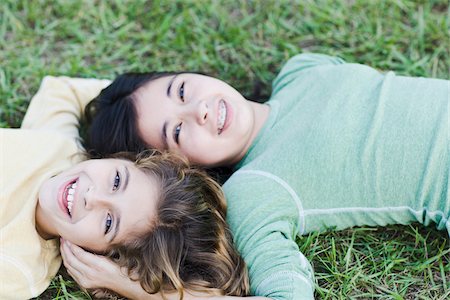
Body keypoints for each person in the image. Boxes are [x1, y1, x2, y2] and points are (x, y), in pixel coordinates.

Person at [79, 53, 448, 299]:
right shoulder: (255, 190)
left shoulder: (302, 69)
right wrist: (148, 292)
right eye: (176, 131)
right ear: (177, 169)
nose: (199, 111)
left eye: (181, 90)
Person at [0, 76, 253, 299]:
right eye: (116, 180)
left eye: (109, 222)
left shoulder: (20, 266)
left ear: (102, 254)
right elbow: (61, 90)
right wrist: (145, 99)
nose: (92, 197)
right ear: (121, 157)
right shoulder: (63, 150)